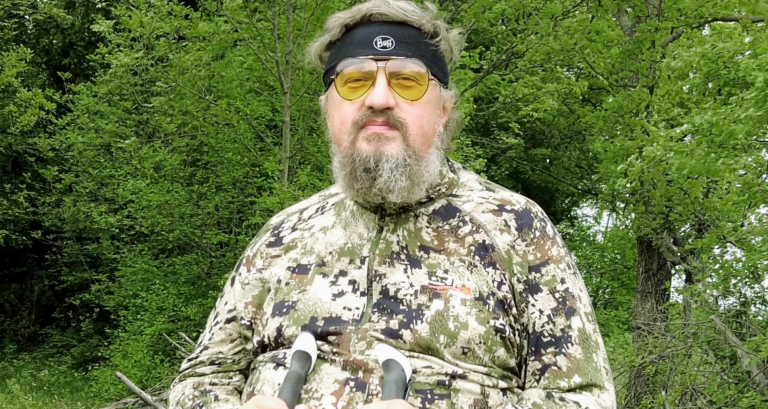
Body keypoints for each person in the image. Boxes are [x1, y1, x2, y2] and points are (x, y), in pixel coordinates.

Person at [168, 1, 616, 408]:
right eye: (354, 80)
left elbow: (583, 399)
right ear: (327, 107)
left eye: (407, 81)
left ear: (443, 109)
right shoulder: (282, 234)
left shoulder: (515, 227)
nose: (379, 99)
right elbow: (201, 378)